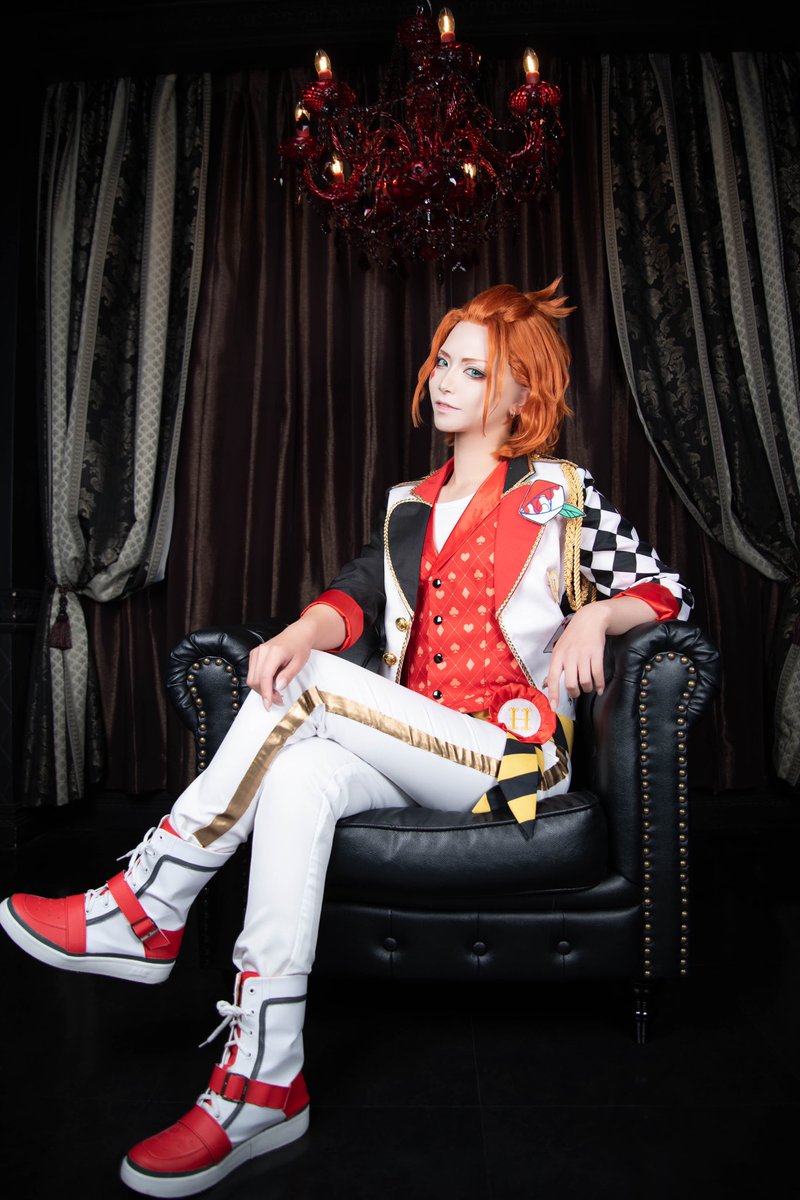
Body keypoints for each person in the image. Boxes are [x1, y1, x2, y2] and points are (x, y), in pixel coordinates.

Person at [0, 281, 692, 1197]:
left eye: (473, 370)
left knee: (314, 686)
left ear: (522, 392)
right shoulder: (409, 502)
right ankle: (261, 1083)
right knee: (300, 778)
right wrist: (298, 632)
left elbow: (666, 590)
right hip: (422, 750)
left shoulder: (561, 495)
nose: (444, 380)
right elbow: (354, 597)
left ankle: (150, 901)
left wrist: (598, 614)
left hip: (515, 761)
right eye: (444, 361)